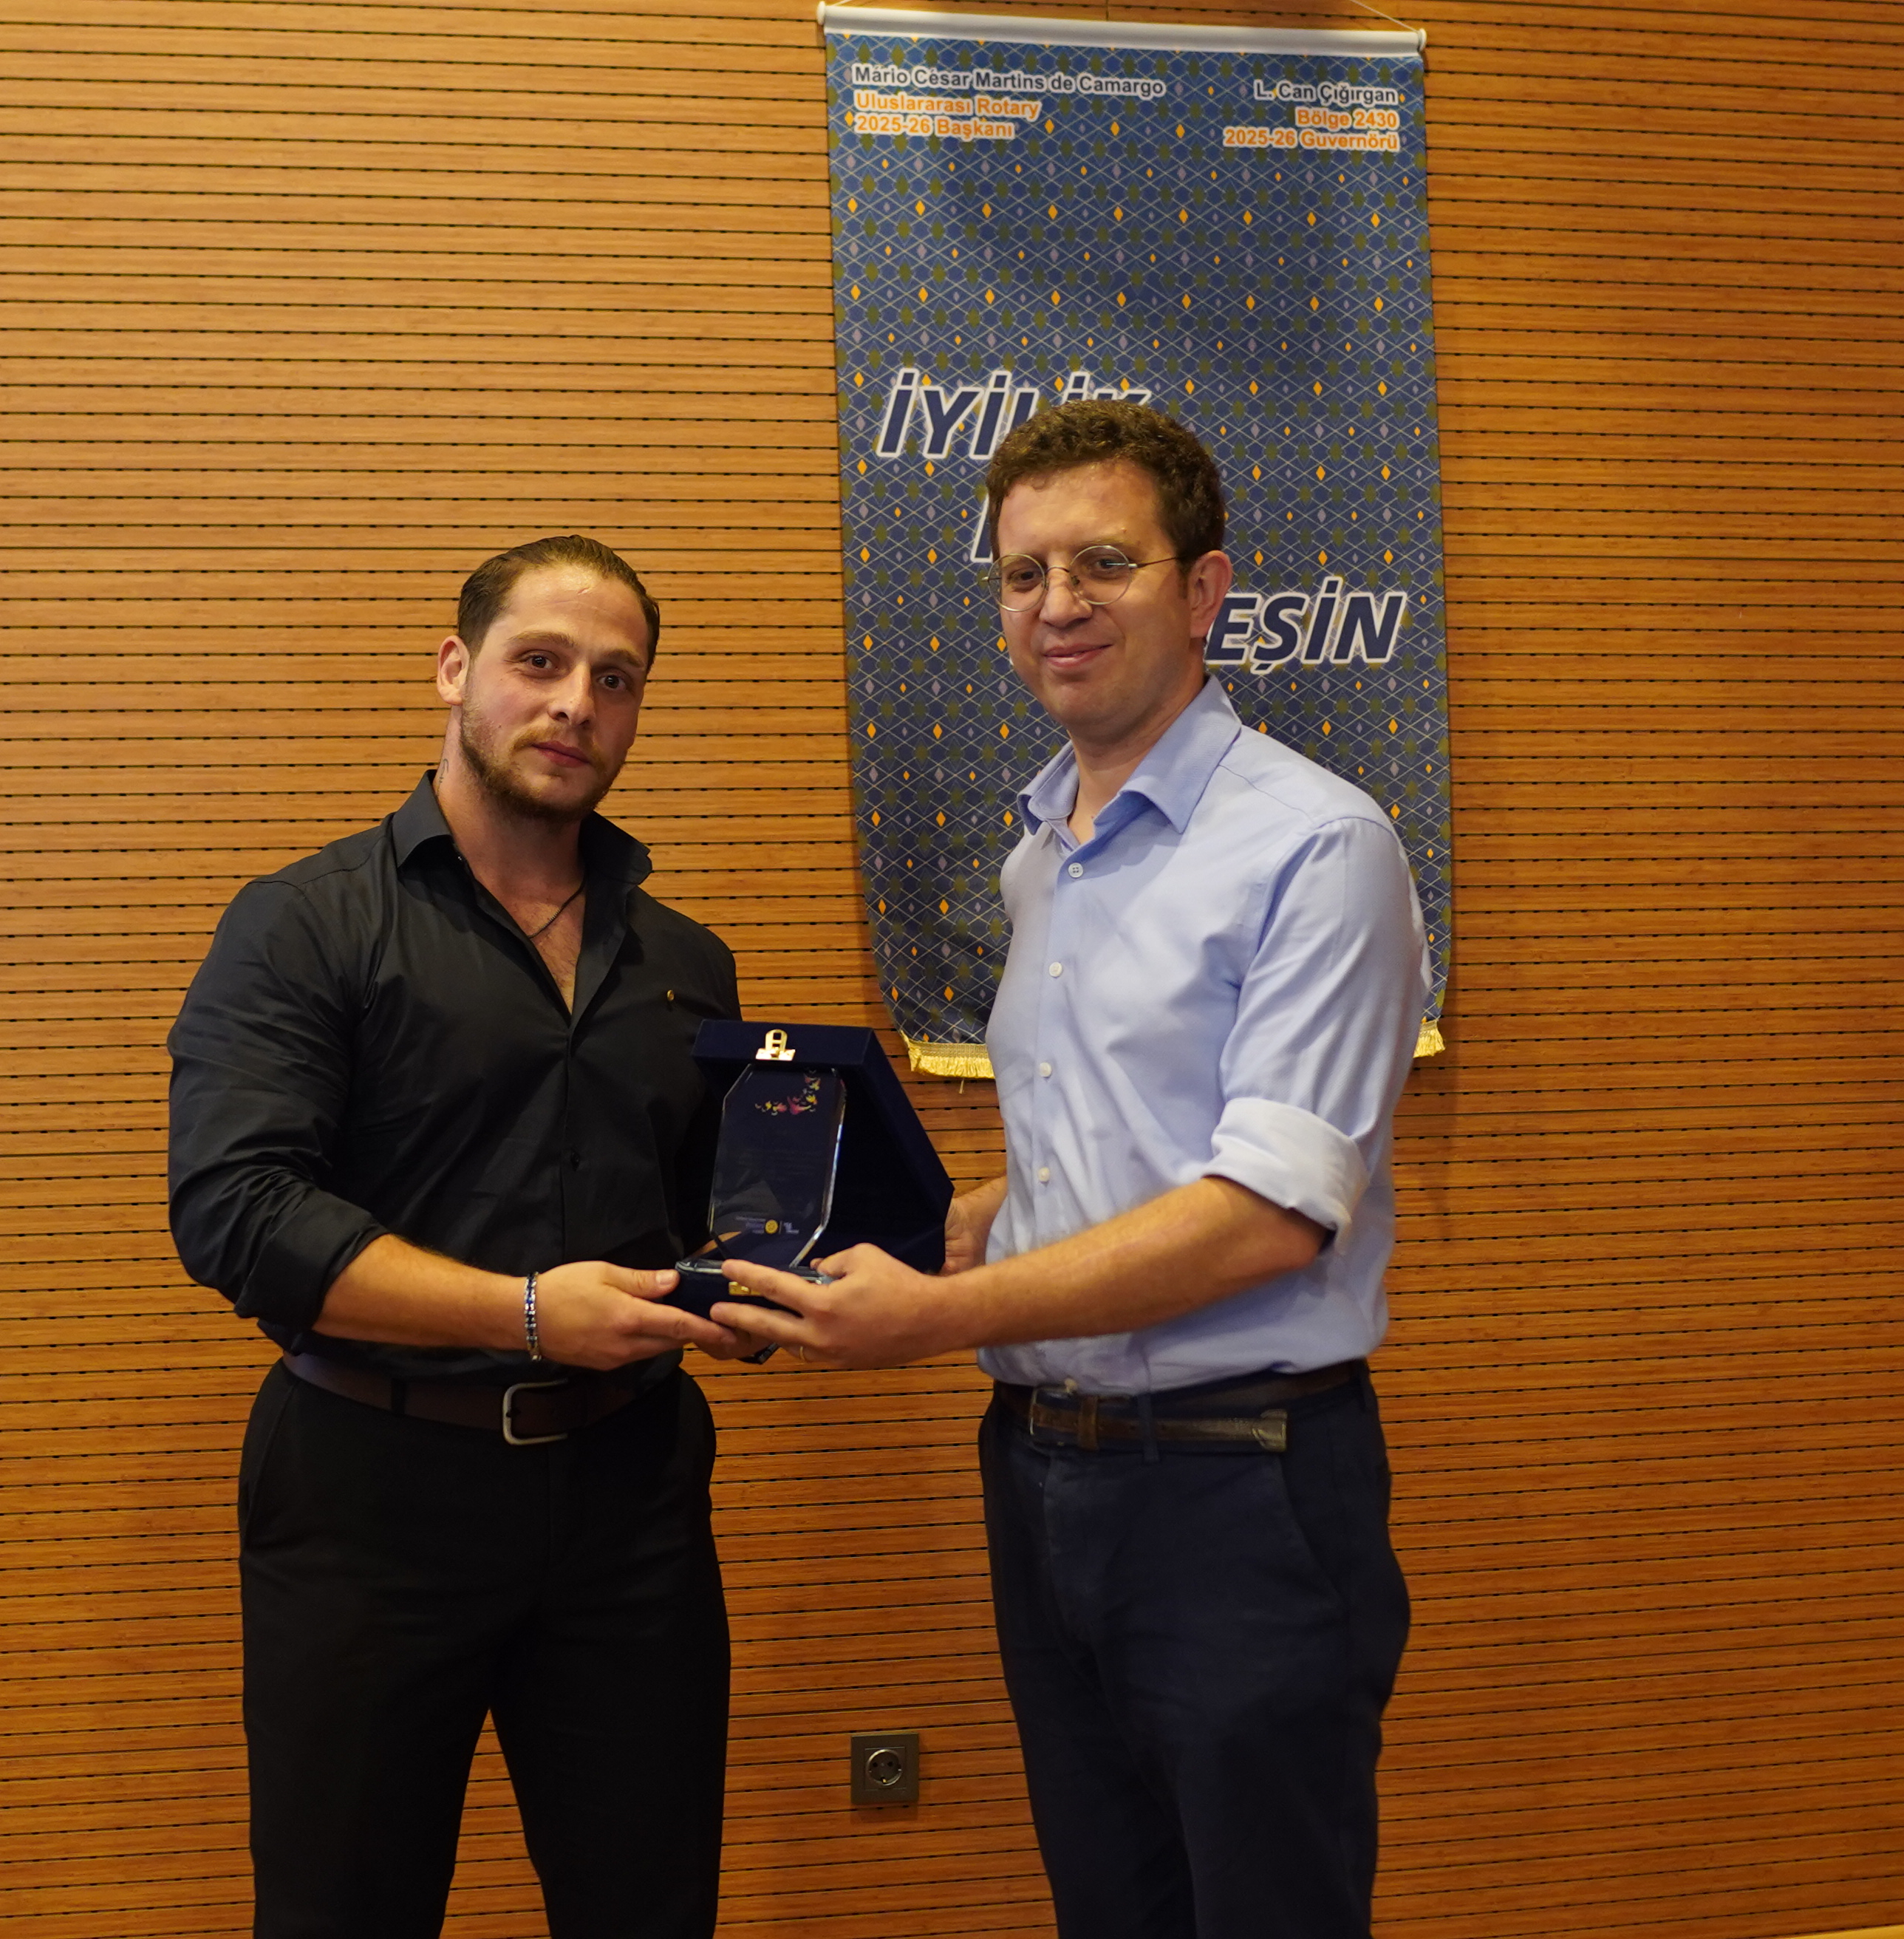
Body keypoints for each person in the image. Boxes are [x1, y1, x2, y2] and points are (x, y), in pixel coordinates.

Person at [720, 402, 1429, 1938]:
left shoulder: (1317, 847)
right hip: (1044, 1474)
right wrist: (937, 1228)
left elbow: (1266, 1217)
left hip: (1241, 1485)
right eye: (1023, 572)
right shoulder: (1043, 851)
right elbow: (1117, 1153)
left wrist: (927, 1319)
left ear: (1204, 589)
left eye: (1103, 562)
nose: (1058, 604)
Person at [166, 534, 748, 1939]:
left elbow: (711, 1221)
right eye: (539, 661)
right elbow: (238, 1212)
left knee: (652, 1910)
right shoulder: (305, 925)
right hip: (370, 1500)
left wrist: (772, 1284)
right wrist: (526, 1312)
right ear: (454, 669)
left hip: (632, 1503)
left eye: (616, 679)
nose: (575, 704)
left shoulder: (686, 963)